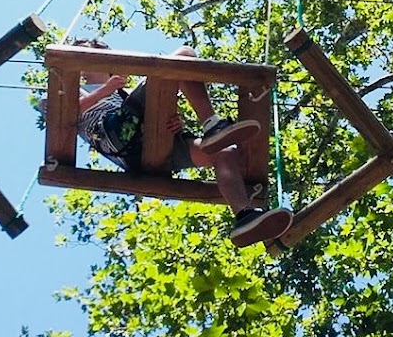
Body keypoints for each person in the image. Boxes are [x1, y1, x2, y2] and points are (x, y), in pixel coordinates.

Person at [66, 39, 294, 247]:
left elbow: (144, 119)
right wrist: (106, 90)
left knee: (225, 152)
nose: (86, 58)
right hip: (117, 136)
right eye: (84, 53)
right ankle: (211, 124)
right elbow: (63, 112)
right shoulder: (71, 88)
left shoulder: (122, 97)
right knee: (183, 55)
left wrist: (173, 124)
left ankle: (244, 215)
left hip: (139, 146)